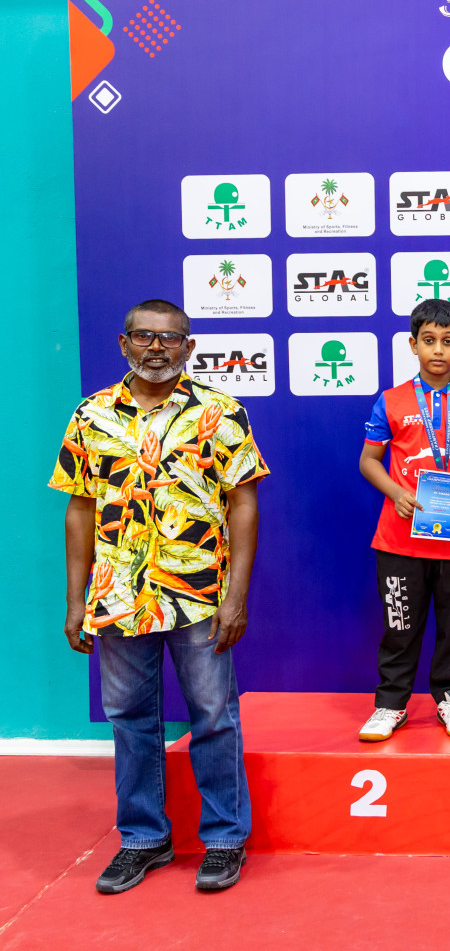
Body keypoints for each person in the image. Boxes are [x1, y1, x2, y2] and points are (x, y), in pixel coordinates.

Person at [53, 299, 267, 894]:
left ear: (188, 348)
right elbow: (79, 509)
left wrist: (236, 597)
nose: (156, 348)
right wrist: (76, 600)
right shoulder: (91, 414)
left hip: (198, 595)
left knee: (213, 717)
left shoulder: (220, 413)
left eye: (169, 338)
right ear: (123, 344)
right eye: (143, 337)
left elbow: (243, 504)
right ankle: (143, 839)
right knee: (129, 720)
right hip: (118, 597)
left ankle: (224, 838)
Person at [358, 298, 450, 740]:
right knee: (400, 627)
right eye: (429, 340)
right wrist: (396, 492)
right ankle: (390, 705)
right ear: (413, 344)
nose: (438, 350)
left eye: (448, 341)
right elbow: (368, 461)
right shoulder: (391, 401)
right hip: (399, 540)